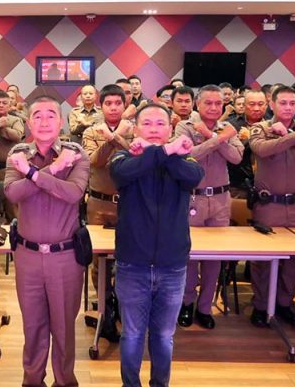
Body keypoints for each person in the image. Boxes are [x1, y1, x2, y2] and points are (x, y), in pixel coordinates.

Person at [110, 102, 204, 387]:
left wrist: (167, 153)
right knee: (132, 335)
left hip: (172, 266)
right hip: (132, 265)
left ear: (170, 128)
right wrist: (162, 152)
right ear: (135, 127)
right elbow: (123, 175)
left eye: (160, 123)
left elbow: (193, 177)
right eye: (147, 123)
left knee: (164, 336)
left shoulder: (184, 159)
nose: (153, 129)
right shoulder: (123, 157)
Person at [5, 96, 89, 387]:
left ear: (61, 121)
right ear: (29, 122)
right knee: (33, 327)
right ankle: (32, 381)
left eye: (50, 115)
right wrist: (51, 170)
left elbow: (73, 193)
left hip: (65, 257)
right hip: (27, 256)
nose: (44, 121)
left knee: (64, 329)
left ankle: (65, 381)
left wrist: (30, 174)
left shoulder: (75, 154)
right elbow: (13, 193)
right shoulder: (18, 153)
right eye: (37, 116)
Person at [247, 86, 295, 329]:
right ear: (272, 104)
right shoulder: (261, 128)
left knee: (293, 259)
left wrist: (294, 136)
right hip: (269, 204)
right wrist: (294, 137)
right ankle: (261, 305)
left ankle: (284, 303)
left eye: (292, 103)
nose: (288, 107)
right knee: (264, 260)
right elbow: (262, 149)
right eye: (283, 103)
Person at [175, 85, 243, 330]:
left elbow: (236, 157)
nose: (214, 107)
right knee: (190, 255)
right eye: (208, 103)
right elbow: (187, 155)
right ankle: (186, 303)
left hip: (221, 200)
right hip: (193, 199)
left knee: (214, 257)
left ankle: (205, 307)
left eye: (218, 103)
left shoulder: (227, 128)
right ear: (197, 104)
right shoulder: (185, 127)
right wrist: (216, 139)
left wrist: (215, 136)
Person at [81, 84, 134, 342]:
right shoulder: (91, 131)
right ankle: (106, 306)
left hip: (129, 203)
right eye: (108, 103)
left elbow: (136, 157)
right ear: (101, 106)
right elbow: (94, 161)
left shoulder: (134, 130)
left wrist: (117, 137)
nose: (113, 108)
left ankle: (124, 303)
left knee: (128, 257)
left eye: (117, 103)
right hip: (99, 205)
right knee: (99, 260)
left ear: (125, 105)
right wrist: (111, 139)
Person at [0, 89, 24, 222]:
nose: (1, 105)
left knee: (12, 207)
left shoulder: (15, 120)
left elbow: (18, 136)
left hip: (9, 169)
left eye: (4, 103)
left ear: (10, 105)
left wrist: (4, 128)